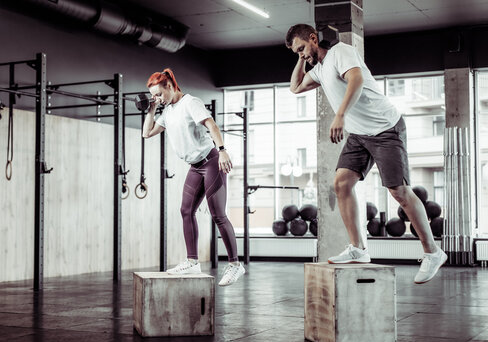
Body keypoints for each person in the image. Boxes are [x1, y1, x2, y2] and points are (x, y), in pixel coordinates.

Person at [285, 24, 447, 284]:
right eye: (297, 52)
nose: (302, 54)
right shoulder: (319, 69)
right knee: (341, 184)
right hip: (360, 135)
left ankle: (433, 252)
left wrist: (339, 115)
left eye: (303, 47)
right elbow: (295, 87)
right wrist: (300, 57)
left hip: (386, 128)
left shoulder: (340, 52)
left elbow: (357, 80)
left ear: (314, 38)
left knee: (399, 192)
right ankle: (358, 249)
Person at [142, 68, 245, 287]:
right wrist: (151, 109)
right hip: (195, 166)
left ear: (169, 86)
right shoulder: (167, 112)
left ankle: (236, 265)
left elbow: (212, 125)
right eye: (154, 96)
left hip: (211, 162)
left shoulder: (191, 102)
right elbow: (146, 133)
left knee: (218, 214)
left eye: (158, 94)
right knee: (185, 210)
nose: (157, 99)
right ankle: (192, 261)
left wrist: (223, 150)